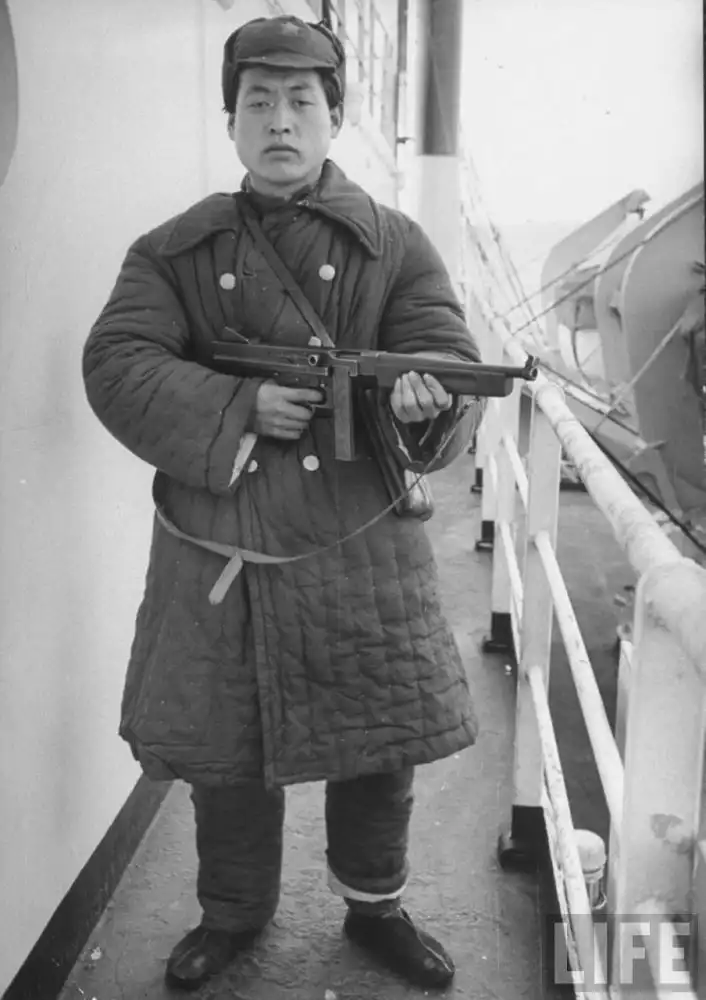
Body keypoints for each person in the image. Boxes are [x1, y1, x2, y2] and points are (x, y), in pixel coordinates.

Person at [83, 13, 483, 993]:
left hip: (359, 540)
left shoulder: (393, 243)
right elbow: (118, 361)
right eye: (257, 101)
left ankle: (377, 905)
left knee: (380, 742)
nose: (279, 120)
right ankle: (230, 915)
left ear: (334, 118)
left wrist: (426, 399)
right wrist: (240, 406)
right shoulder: (171, 251)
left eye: (301, 100)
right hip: (225, 541)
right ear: (230, 122)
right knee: (225, 750)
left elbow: (446, 353)